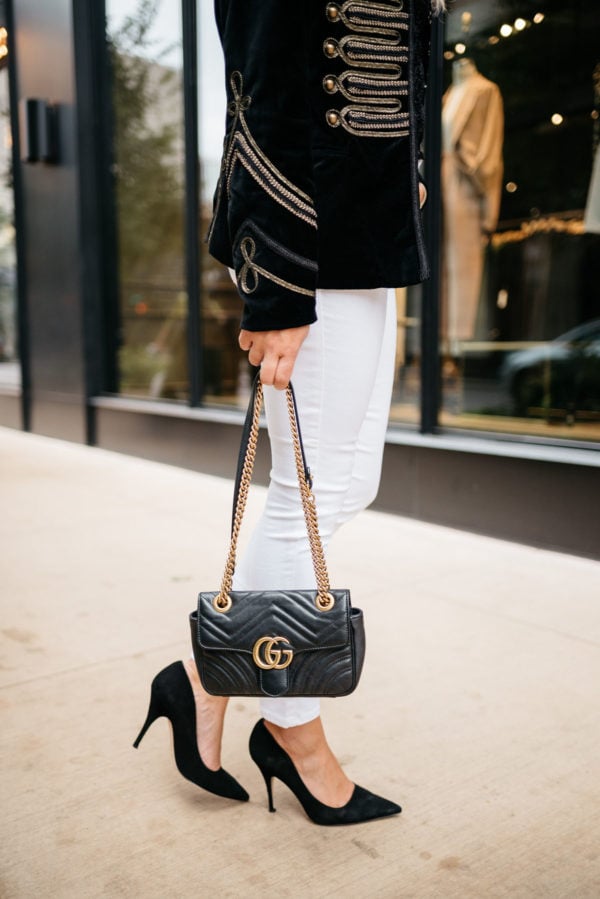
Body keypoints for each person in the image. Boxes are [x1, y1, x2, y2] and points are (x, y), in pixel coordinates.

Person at [134, 0, 444, 826]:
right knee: (309, 495)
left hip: (367, 235)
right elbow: (266, 90)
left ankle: (205, 678)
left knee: (347, 483)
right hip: (313, 246)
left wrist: (404, 175)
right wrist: (274, 286)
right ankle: (293, 730)